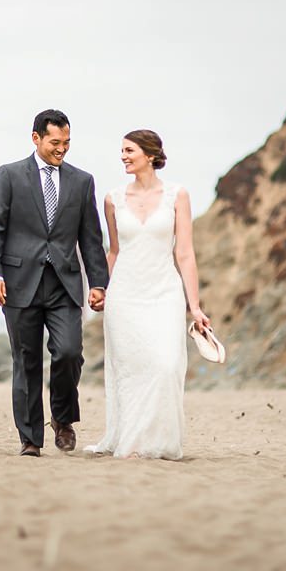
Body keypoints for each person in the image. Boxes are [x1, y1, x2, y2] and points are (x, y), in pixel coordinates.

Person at [0, 109, 108, 457]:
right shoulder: (9, 176)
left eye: (67, 142)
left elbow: (91, 238)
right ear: (35, 138)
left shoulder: (82, 182)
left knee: (69, 353)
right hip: (18, 282)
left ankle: (63, 418)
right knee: (27, 361)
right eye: (55, 142)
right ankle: (30, 440)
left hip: (64, 283)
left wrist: (98, 282)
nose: (61, 149)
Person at [86, 130, 211, 460]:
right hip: (124, 294)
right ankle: (134, 440)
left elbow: (185, 253)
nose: (123, 156)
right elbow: (113, 251)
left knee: (166, 364)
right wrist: (101, 287)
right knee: (130, 369)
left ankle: (160, 440)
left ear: (150, 154)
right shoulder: (113, 198)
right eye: (122, 151)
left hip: (164, 292)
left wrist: (194, 307)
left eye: (129, 150)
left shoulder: (177, 195)